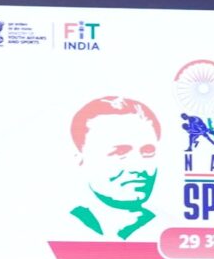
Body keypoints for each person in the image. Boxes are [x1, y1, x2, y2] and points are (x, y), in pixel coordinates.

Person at [68, 96, 161, 238]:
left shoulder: (169, 229)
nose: (138, 167)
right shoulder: (55, 226)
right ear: (80, 159)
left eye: (148, 152)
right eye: (120, 152)